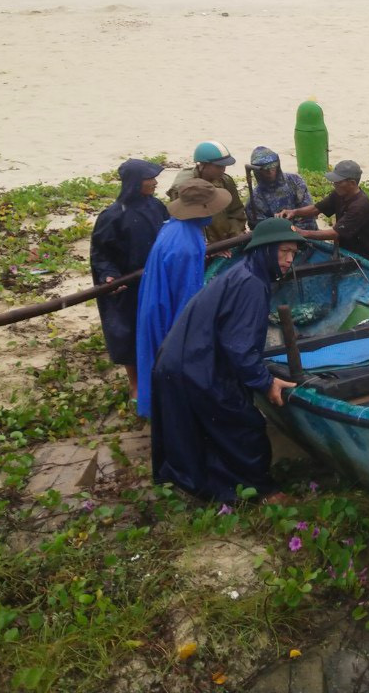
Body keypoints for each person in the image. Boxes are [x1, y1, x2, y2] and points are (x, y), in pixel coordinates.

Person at [149, 217, 304, 504]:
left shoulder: (243, 271)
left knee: (198, 430)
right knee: (245, 426)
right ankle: (260, 491)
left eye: (293, 253)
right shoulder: (252, 285)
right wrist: (265, 381)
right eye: (283, 251)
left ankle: (201, 485)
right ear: (265, 250)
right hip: (195, 365)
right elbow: (240, 348)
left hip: (179, 359)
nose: (288, 260)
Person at [134, 178, 232, 419]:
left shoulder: (174, 226)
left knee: (154, 362)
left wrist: (207, 253)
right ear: (204, 210)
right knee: (174, 365)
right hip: (169, 309)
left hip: (153, 303)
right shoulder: (187, 246)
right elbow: (187, 300)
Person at [89, 158, 168, 401]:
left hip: (155, 278)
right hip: (127, 284)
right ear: (135, 183)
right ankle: (135, 383)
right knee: (128, 331)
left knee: (158, 326)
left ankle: (159, 373)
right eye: (149, 179)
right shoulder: (112, 216)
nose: (155, 183)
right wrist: (108, 275)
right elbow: (100, 253)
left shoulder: (157, 207)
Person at [279, 159, 369, 272]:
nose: (334, 184)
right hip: (356, 253)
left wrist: (303, 233)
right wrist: (294, 212)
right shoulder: (339, 194)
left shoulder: (359, 206)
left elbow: (334, 233)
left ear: (352, 183)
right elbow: (316, 209)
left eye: (338, 182)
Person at [167, 140, 248, 244]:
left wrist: (234, 235)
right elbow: (185, 223)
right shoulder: (183, 188)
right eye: (218, 166)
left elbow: (236, 212)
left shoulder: (225, 181)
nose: (223, 170)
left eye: (224, 166)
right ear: (203, 165)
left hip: (226, 241)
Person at [244, 146, 315, 230]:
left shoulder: (295, 181)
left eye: (273, 166)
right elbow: (263, 229)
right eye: (265, 168)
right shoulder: (255, 199)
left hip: (308, 233)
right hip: (278, 238)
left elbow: (309, 212)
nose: (270, 171)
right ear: (257, 171)